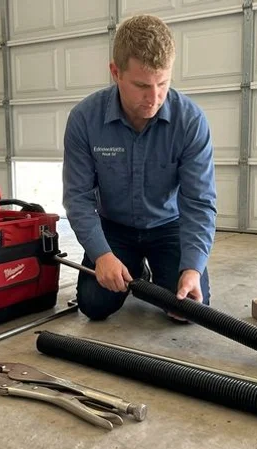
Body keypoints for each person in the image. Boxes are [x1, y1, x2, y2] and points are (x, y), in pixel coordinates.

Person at [61, 14, 217, 322]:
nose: (154, 98)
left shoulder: (190, 121)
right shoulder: (84, 119)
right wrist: (102, 255)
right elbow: (78, 198)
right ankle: (135, 269)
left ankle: (152, 272)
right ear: (115, 73)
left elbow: (199, 202)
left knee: (188, 309)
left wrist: (192, 268)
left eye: (163, 83)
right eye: (142, 85)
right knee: (93, 304)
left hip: (168, 226)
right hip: (114, 228)